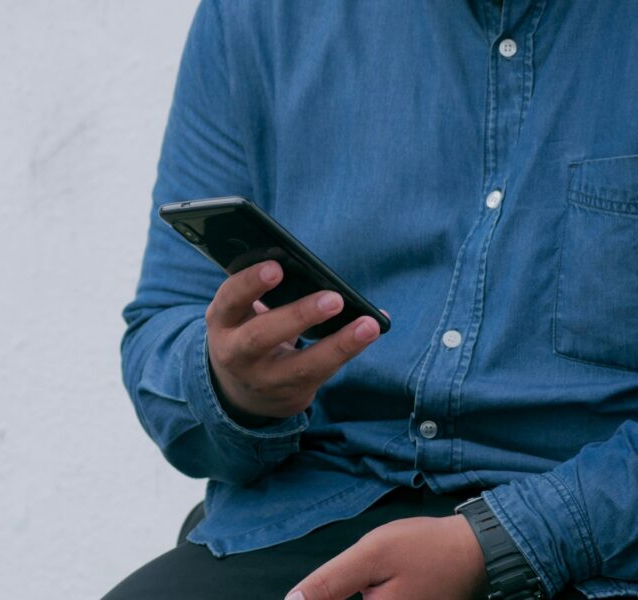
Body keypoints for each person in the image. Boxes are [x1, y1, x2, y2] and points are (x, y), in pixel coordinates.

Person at [105, 2, 638, 599]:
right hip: (317, 507)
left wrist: (503, 542)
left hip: (597, 540)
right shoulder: (257, 15)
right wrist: (232, 386)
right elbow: (163, 321)